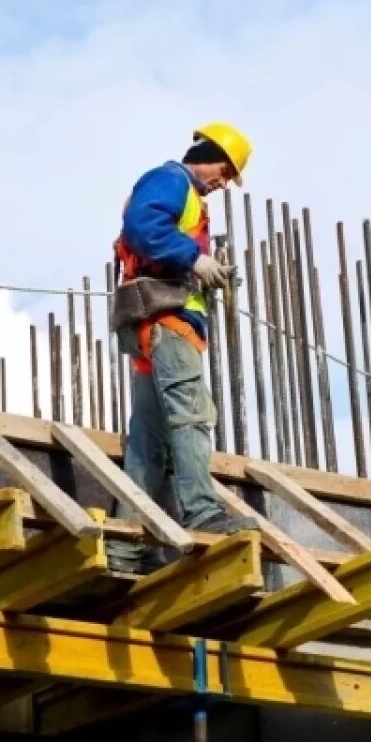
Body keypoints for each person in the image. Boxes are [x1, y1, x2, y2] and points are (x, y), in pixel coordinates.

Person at [106, 122, 259, 573]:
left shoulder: (185, 195)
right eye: (225, 171)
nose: (224, 183)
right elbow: (142, 225)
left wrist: (204, 269)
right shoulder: (172, 180)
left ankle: (126, 545)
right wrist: (194, 259)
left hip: (152, 323)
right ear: (209, 154)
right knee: (191, 416)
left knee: (149, 442)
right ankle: (203, 512)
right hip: (168, 323)